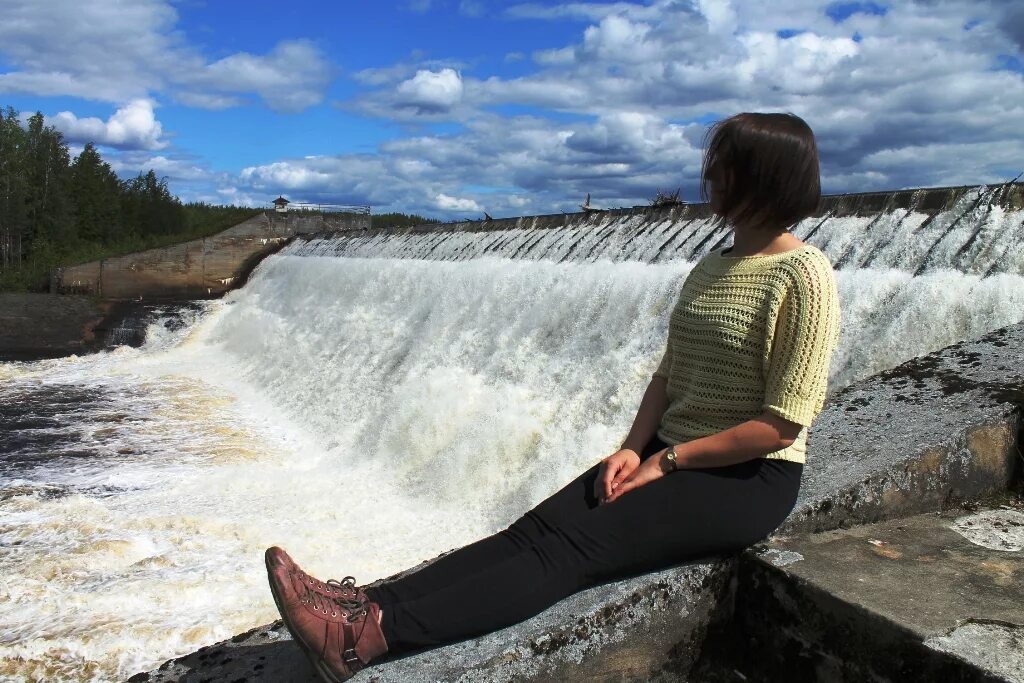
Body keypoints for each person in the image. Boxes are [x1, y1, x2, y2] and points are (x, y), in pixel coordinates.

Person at [264, 112, 842, 682]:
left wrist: (667, 461)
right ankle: (361, 604)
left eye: (724, 165)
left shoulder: (804, 275)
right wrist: (631, 449)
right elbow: (669, 376)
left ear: (763, 177)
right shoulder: (714, 263)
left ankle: (365, 639)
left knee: (566, 553)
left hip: (745, 477)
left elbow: (782, 425)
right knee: (532, 532)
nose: (710, 175)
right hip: (668, 451)